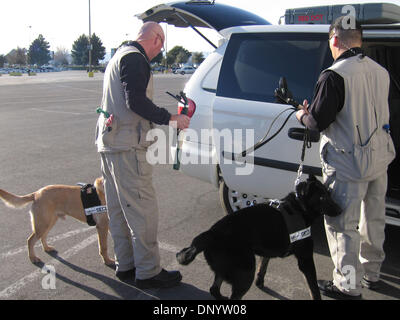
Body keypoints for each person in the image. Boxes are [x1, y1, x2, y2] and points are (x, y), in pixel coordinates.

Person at [296, 16, 395, 299]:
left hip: (348, 164)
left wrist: (302, 114)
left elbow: (317, 122)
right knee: (373, 219)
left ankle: (348, 286)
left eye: (330, 41)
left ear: (336, 40)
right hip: (380, 158)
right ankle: (372, 273)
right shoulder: (380, 71)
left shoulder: (334, 75)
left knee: (342, 227)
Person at [95, 21, 190, 289]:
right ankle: (148, 271)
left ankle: (126, 266)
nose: (158, 52)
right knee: (143, 210)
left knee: (119, 210)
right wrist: (170, 118)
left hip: (110, 144)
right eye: (160, 47)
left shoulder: (118, 56)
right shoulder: (136, 59)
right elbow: (134, 100)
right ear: (156, 39)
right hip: (128, 147)